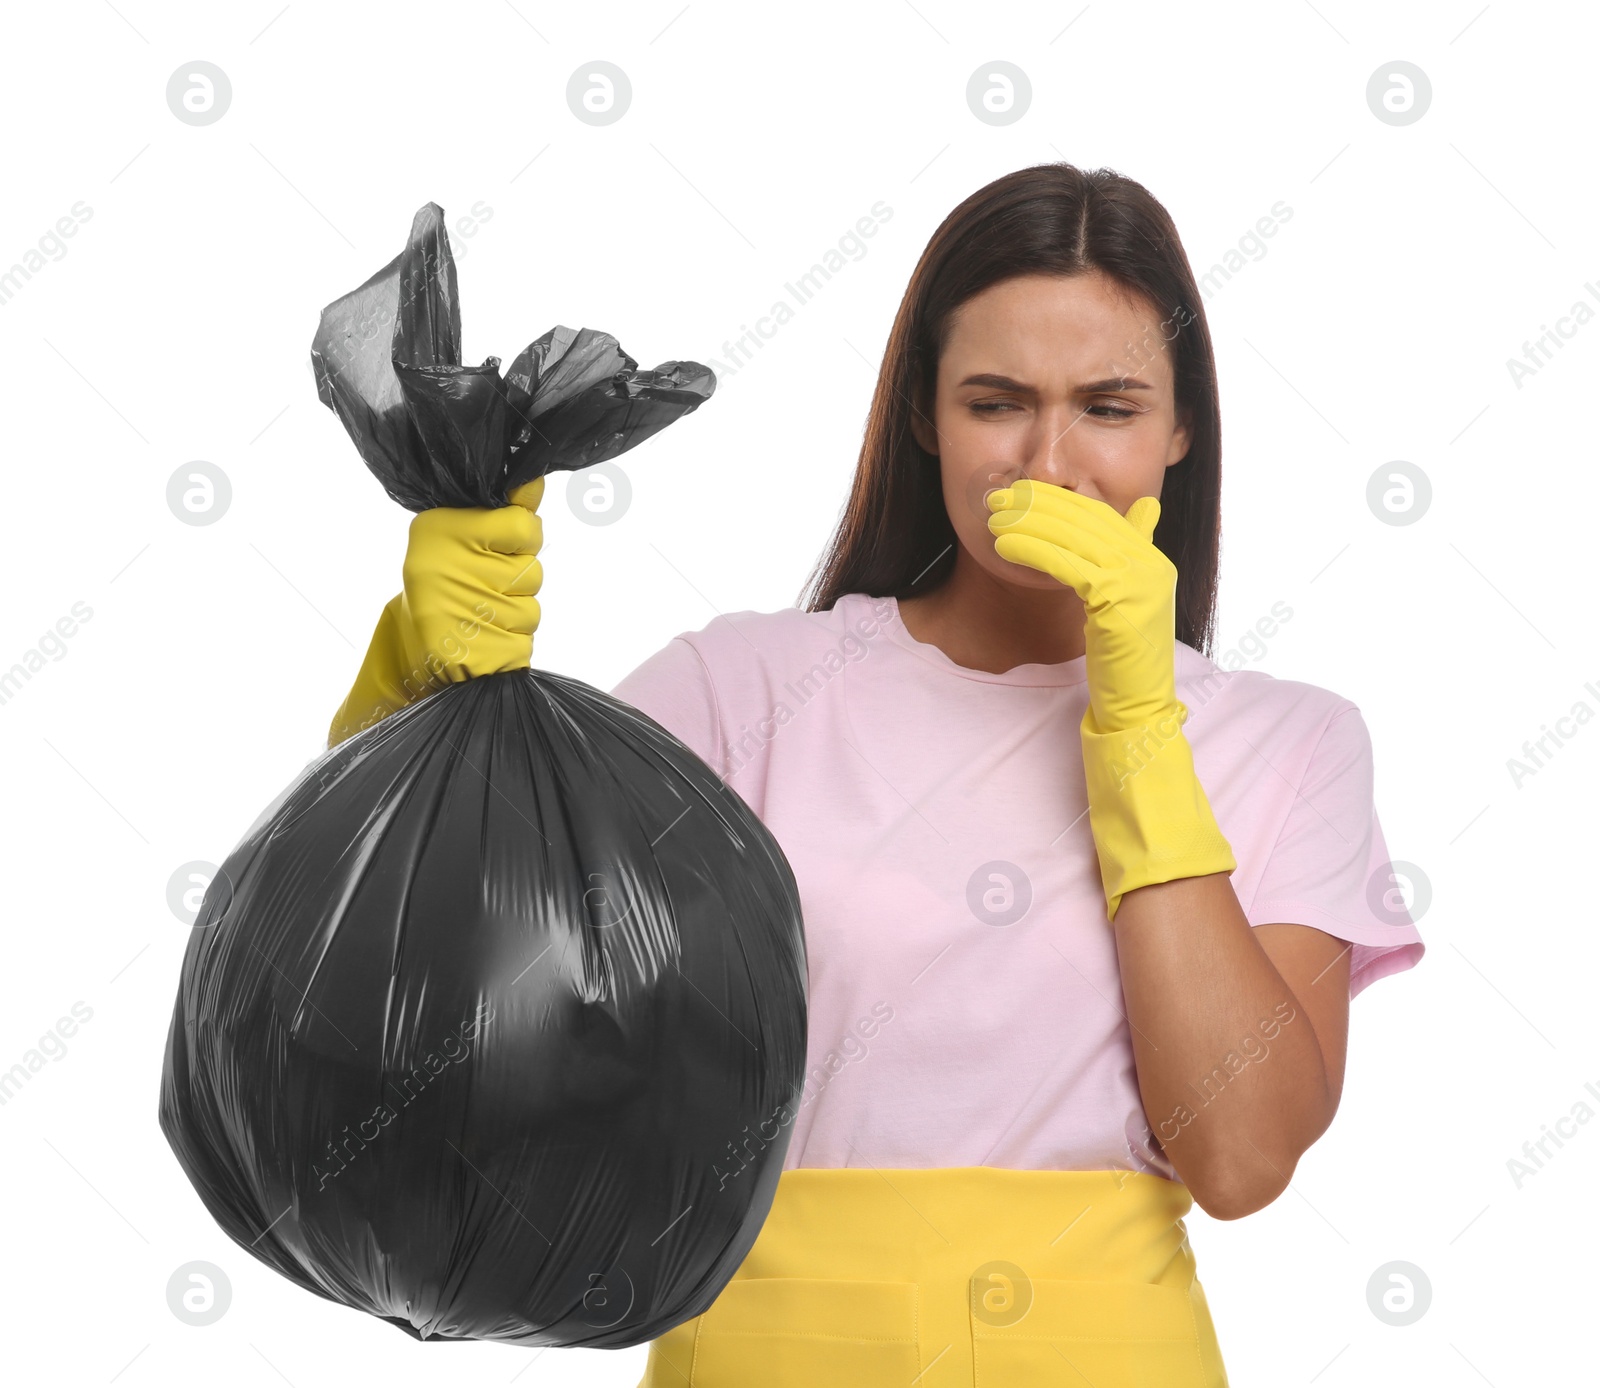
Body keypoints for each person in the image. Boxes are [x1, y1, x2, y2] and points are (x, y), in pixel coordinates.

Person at [327, 162, 1426, 1387]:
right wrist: (414, 696)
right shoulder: (739, 693)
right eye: (995, 401)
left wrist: (1139, 725)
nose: (1051, 462)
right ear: (923, 415)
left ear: (1181, 429)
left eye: (1109, 406)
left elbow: (1239, 1156)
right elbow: (417, 977)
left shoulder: (1289, 744)